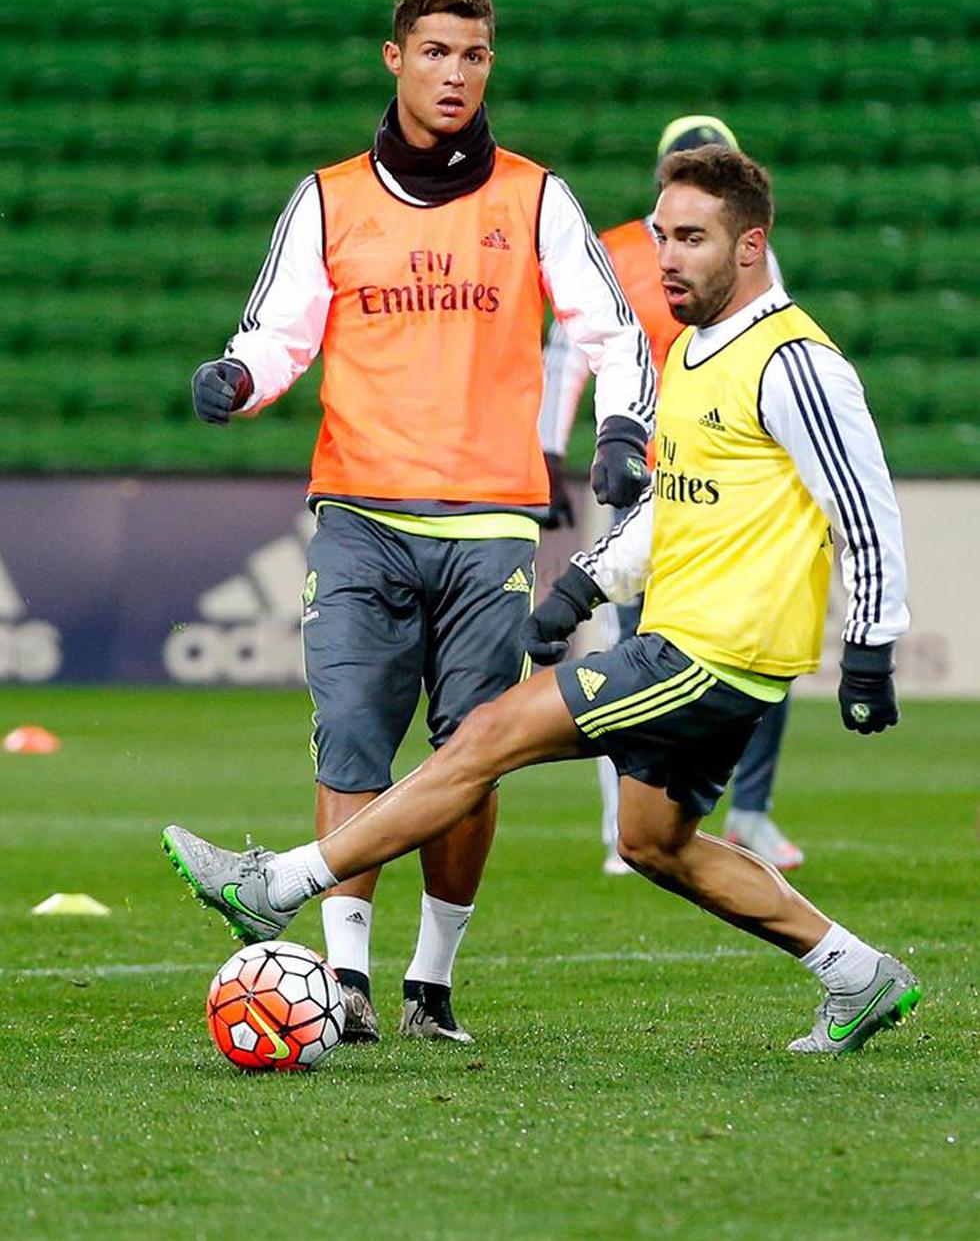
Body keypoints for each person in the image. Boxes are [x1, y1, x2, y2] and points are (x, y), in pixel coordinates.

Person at [165, 146, 920, 1055]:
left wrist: (873, 648)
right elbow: (669, 507)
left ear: (750, 247)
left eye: (692, 239)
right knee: (654, 843)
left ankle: (275, 886)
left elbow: (866, 507)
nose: (666, 258)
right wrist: (580, 587)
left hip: (713, 653)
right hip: (694, 646)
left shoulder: (796, 362)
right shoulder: (692, 354)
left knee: (483, 735)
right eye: (659, 237)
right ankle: (856, 971)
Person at [186, 0, 654, 1045]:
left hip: (491, 517)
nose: (455, 73)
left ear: (490, 65)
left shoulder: (536, 196)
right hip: (357, 507)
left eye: (474, 55)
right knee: (349, 737)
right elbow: (280, 332)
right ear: (393, 58)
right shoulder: (329, 196)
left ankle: (429, 980)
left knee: (467, 752)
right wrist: (239, 377)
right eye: (435, 52)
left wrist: (620, 429)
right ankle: (343, 977)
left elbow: (612, 329)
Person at [540, 115, 801, 875]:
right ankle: (628, 819)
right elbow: (569, 354)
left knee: (754, 647)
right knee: (635, 648)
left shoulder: (751, 252)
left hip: (732, 479)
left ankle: (748, 811)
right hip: (646, 477)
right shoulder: (622, 251)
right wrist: (552, 453)